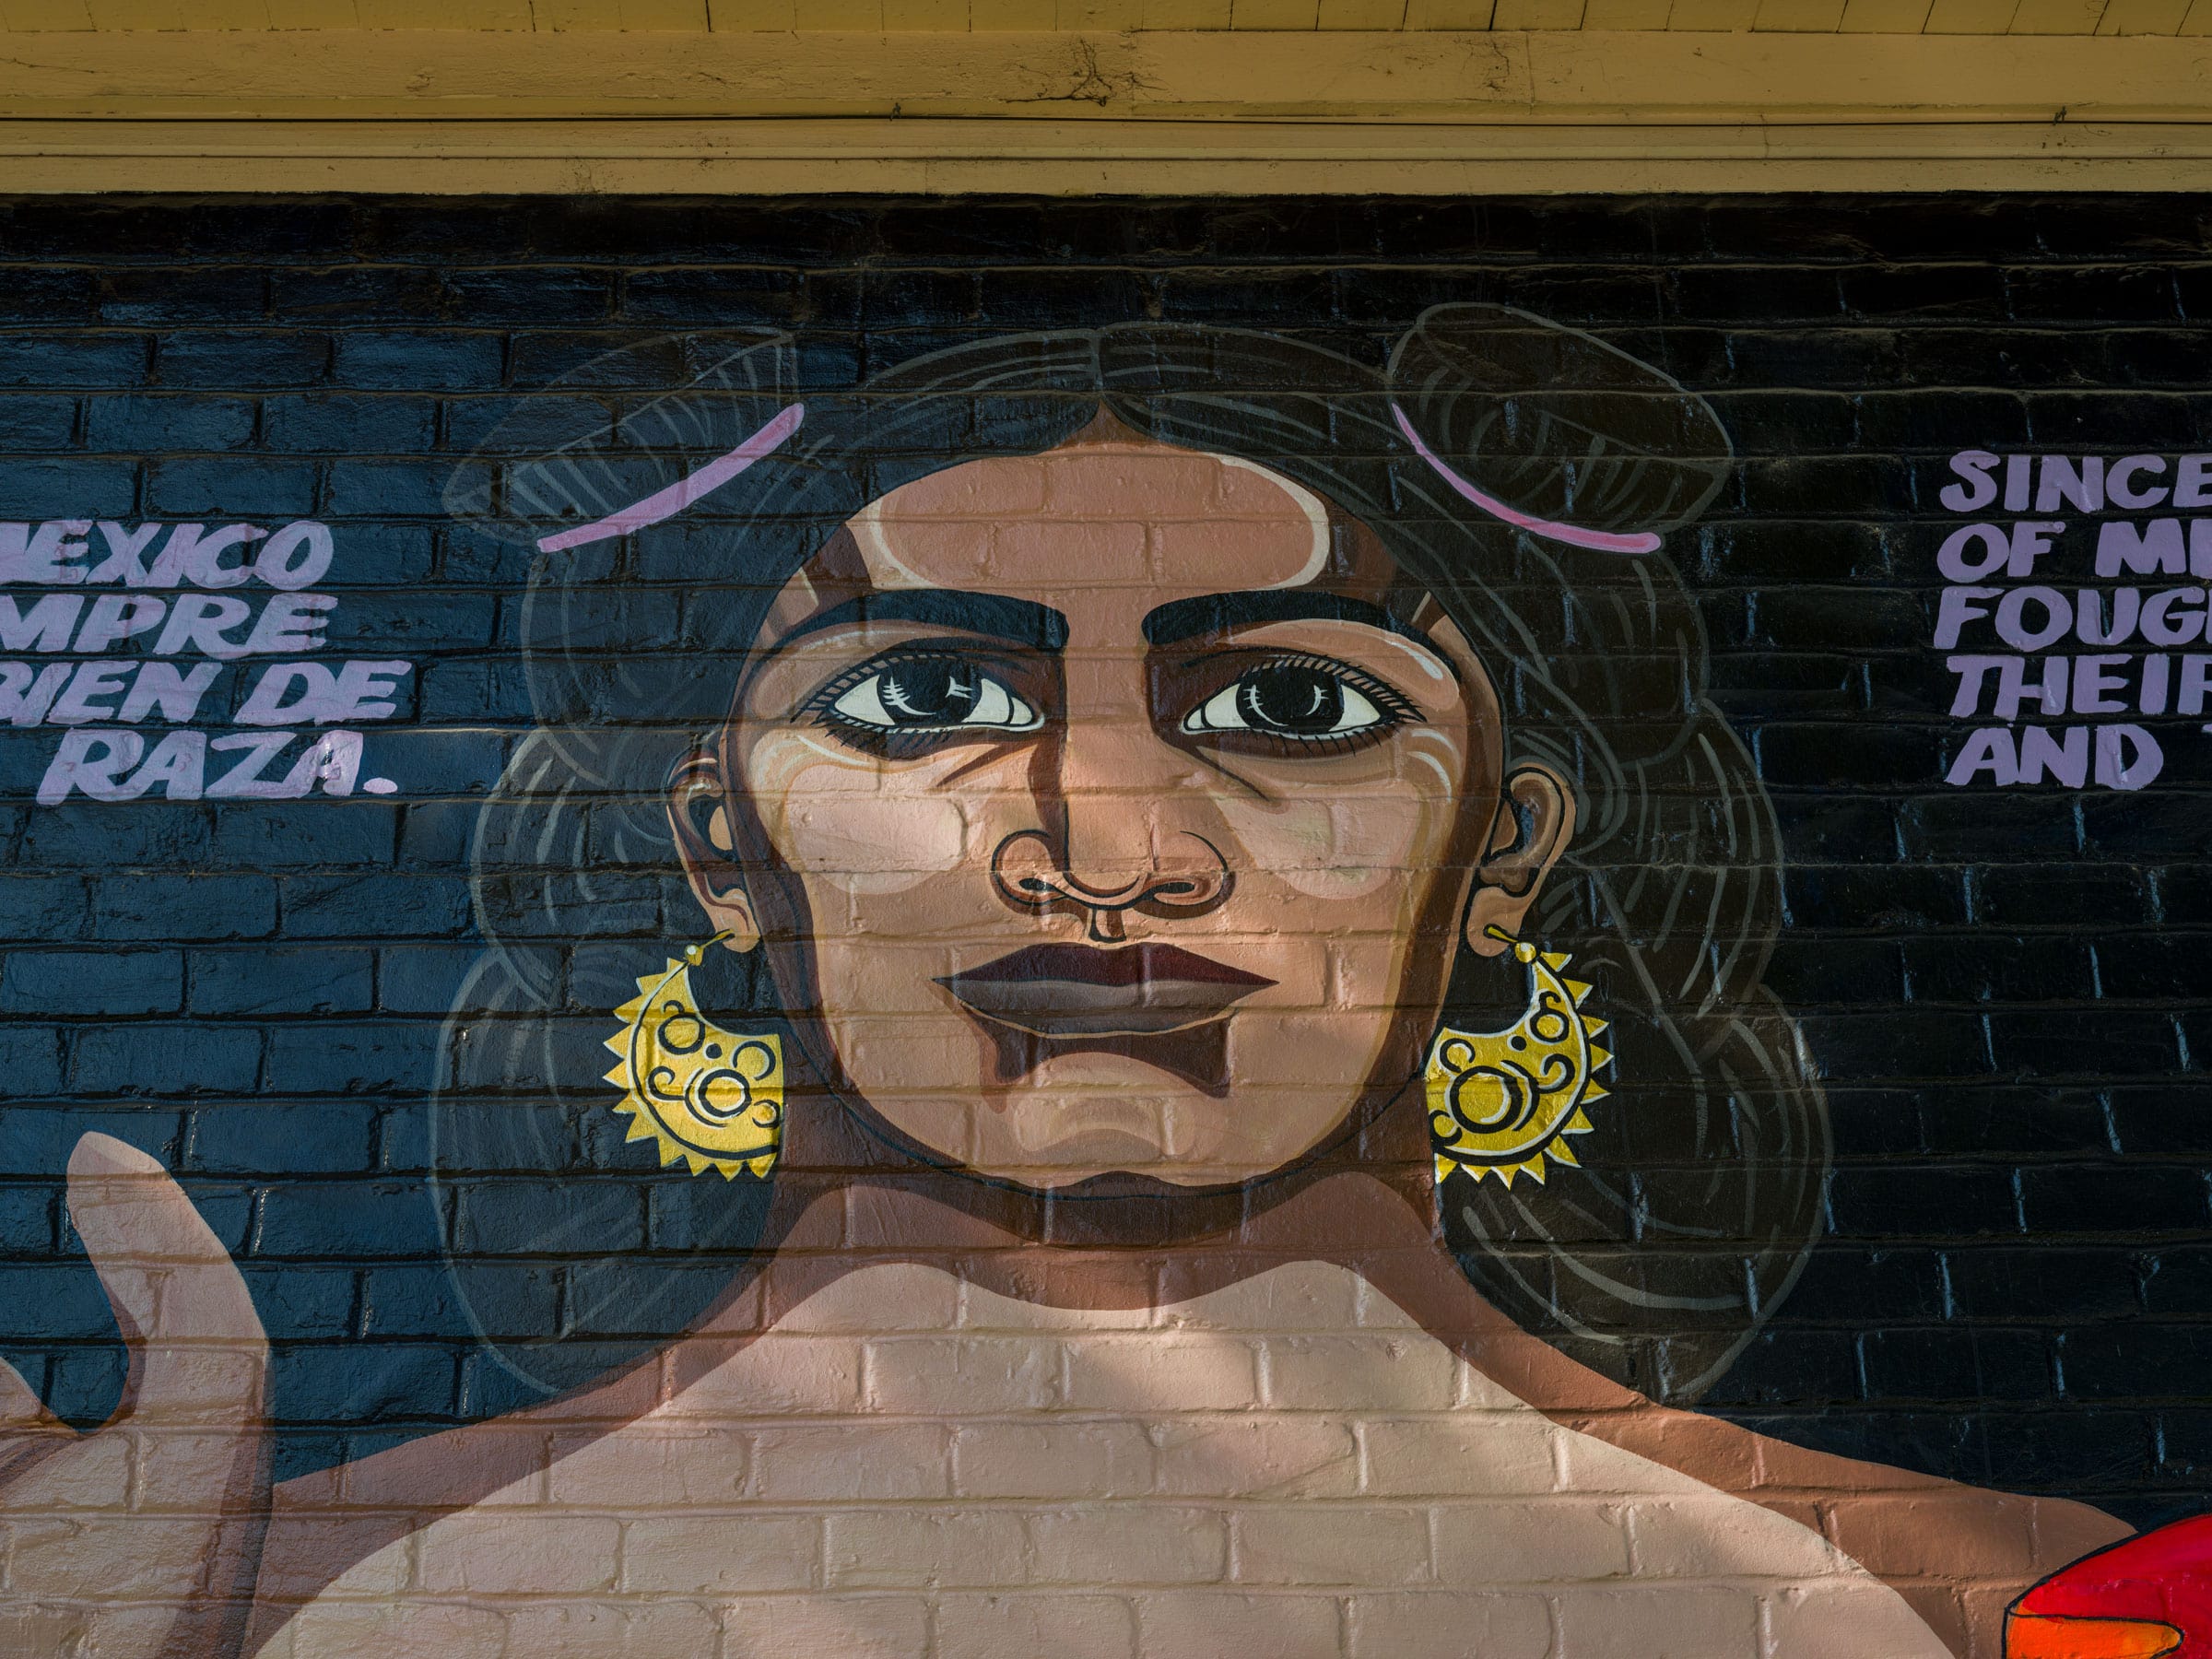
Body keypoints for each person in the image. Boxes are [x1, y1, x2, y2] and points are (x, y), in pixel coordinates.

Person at [0, 313, 2128, 1658]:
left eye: (1293, 702)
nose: (1110, 843)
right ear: (719, 848)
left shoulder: (2022, 1613)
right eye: (925, 693)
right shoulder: (251, 1605)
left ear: (1509, 854)